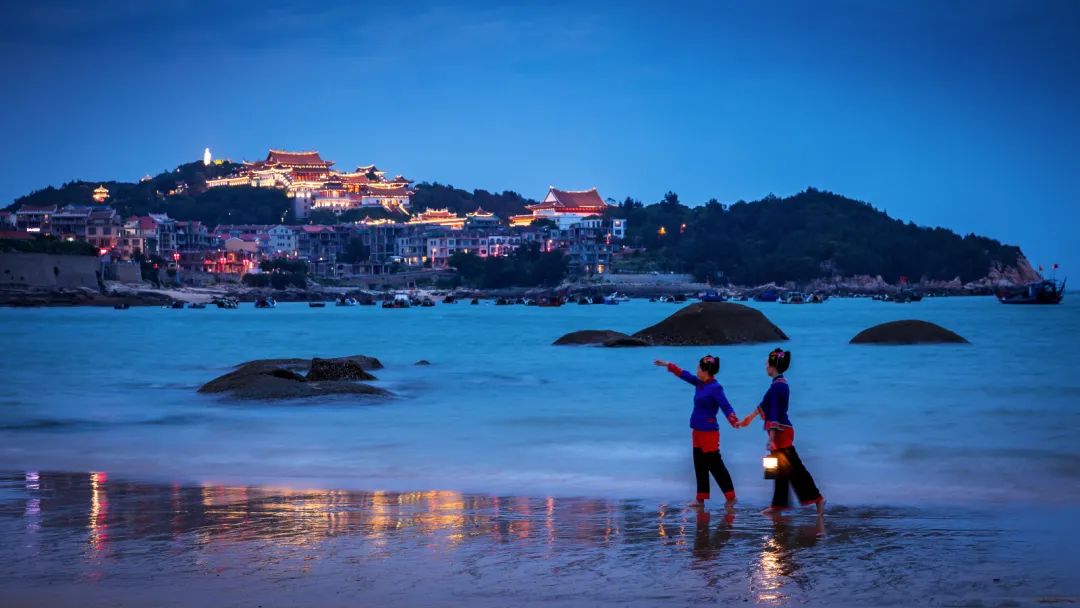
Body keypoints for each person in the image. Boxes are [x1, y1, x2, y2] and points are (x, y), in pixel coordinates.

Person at [739, 348, 825, 515]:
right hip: (780, 430)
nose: (765, 367)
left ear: (773, 367)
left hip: (781, 431)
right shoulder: (778, 384)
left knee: (793, 468)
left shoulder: (779, 387)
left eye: (767, 364)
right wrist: (749, 418)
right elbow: (765, 403)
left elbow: (775, 413)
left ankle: (817, 498)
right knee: (776, 467)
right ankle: (778, 504)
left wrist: (771, 438)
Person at [654, 355, 740, 509]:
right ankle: (700, 499)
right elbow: (685, 375)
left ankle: (731, 497)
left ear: (706, 370)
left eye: (699, 368)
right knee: (699, 464)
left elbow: (726, 406)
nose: (696, 370)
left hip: (709, 433)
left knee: (715, 465)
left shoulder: (715, 387)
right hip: (697, 431)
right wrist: (669, 365)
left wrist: (734, 420)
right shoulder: (700, 383)